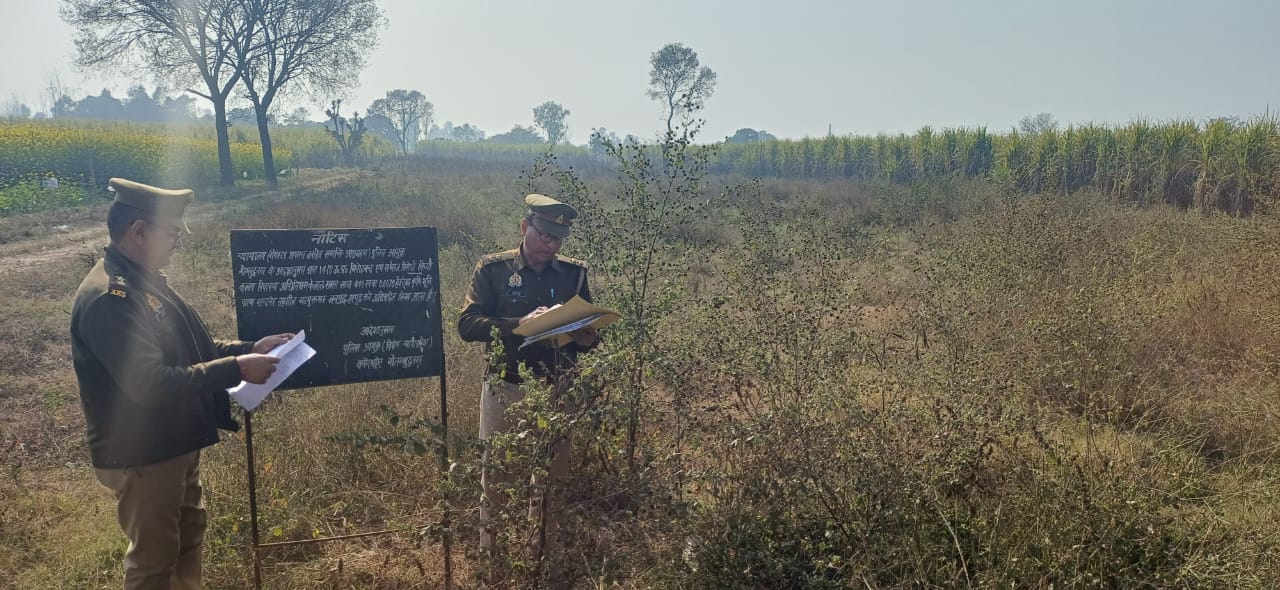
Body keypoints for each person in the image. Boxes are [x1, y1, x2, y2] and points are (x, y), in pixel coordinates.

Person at [70, 177, 290, 590]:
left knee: (186, 545)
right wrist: (238, 368)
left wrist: (249, 347)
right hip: (144, 454)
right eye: (170, 232)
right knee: (153, 566)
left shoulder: (144, 280)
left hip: (171, 443)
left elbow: (190, 348)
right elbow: (148, 383)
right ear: (138, 231)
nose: (176, 242)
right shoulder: (110, 298)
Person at [458, 193, 600, 559]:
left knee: (552, 479)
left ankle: (542, 557)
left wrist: (589, 338)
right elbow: (467, 324)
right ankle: (494, 561)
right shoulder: (492, 270)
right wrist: (518, 324)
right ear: (525, 228)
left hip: (557, 389)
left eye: (556, 239)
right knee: (497, 474)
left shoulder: (574, 273)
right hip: (505, 386)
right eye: (543, 235)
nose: (549, 245)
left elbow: (585, 329)